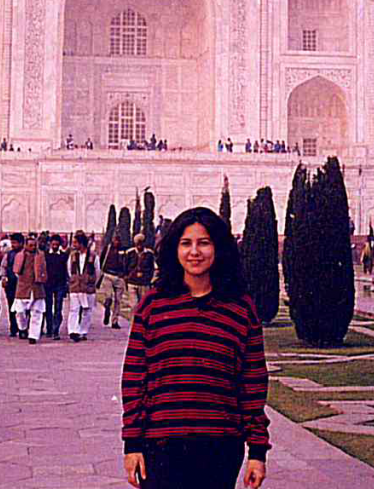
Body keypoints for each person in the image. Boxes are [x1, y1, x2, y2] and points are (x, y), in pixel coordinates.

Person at [122, 207, 269, 489]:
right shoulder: (153, 306)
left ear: (219, 248)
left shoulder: (239, 308)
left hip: (220, 444)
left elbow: (252, 383)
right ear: (174, 249)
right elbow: (135, 377)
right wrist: (132, 444)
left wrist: (257, 452)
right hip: (161, 443)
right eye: (186, 243)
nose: (195, 252)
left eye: (204, 243)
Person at [12, 234, 48, 344]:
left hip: (37, 287)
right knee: (19, 311)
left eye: (34, 245)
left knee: (37, 313)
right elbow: (16, 271)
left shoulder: (40, 256)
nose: (33, 247)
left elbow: (44, 270)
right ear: (26, 246)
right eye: (31, 245)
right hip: (23, 288)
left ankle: (33, 335)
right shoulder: (19, 256)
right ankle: (22, 328)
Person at [67, 231, 99, 342]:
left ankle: (83, 331)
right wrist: (74, 280)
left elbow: (97, 271)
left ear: (82, 243)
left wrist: (90, 281)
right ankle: (73, 331)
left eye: (76, 242)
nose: (74, 245)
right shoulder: (72, 256)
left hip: (88, 288)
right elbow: (69, 270)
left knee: (87, 310)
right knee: (74, 309)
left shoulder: (93, 256)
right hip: (75, 286)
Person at [99, 233, 128, 328]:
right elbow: (101, 260)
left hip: (119, 277)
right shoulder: (107, 249)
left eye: (118, 240)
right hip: (108, 275)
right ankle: (107, 308)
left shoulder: (123, 250)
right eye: (115, 240)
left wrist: (124, 274)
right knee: (109, 297)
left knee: (118, 300)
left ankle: (115, 320)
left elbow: (126, 262)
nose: (116, 242)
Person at [44, 234, 69, 340]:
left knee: (58, 308)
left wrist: (66, 284)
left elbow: (66, 270)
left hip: (60, 284)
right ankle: (49, 329)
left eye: (56, 244)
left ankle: (56, 330)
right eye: (53, 243)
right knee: (48, 308)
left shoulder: (63, 256)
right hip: (48, 284)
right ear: (50, 244)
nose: (54, 246)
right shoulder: (45, 255)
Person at [125, 233, 156, 308]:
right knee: (134, 305)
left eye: (141, 243)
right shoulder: (130, 253)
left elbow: (152, 268)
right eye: (138, 243)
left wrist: (149, 279)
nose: (139, 245)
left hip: (144, 283)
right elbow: (125, 267)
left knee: (144, 306)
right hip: (132, 282)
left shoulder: (149, 254)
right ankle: (134, 319)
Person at [2, 233, 24, 336]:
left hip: (23, 285)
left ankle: (23, 327)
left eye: (15, 243)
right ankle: (13, 327)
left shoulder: (26, 254)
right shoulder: (9, 254)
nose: (13, 245)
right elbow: (4, 267)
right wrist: (4, 277)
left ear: (21, 243)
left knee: (23, 308)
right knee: (12, 307)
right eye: (12, 243)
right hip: (11, 284)